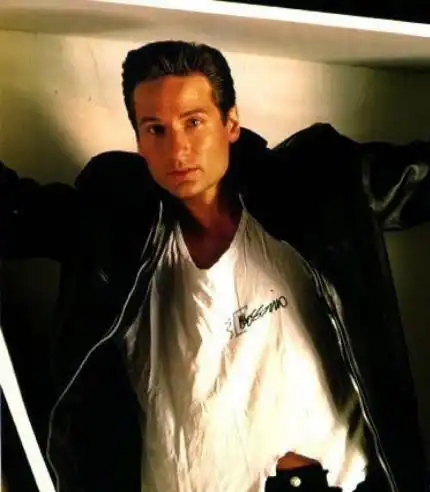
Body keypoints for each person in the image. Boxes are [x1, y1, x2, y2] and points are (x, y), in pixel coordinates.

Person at [1, 40, 429, 492]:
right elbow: (15, 214)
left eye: (193, 122)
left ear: (231, 123)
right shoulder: (112, 230)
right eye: (156, 129)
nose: (178, 149)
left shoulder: (315, 191)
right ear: (139, 141)